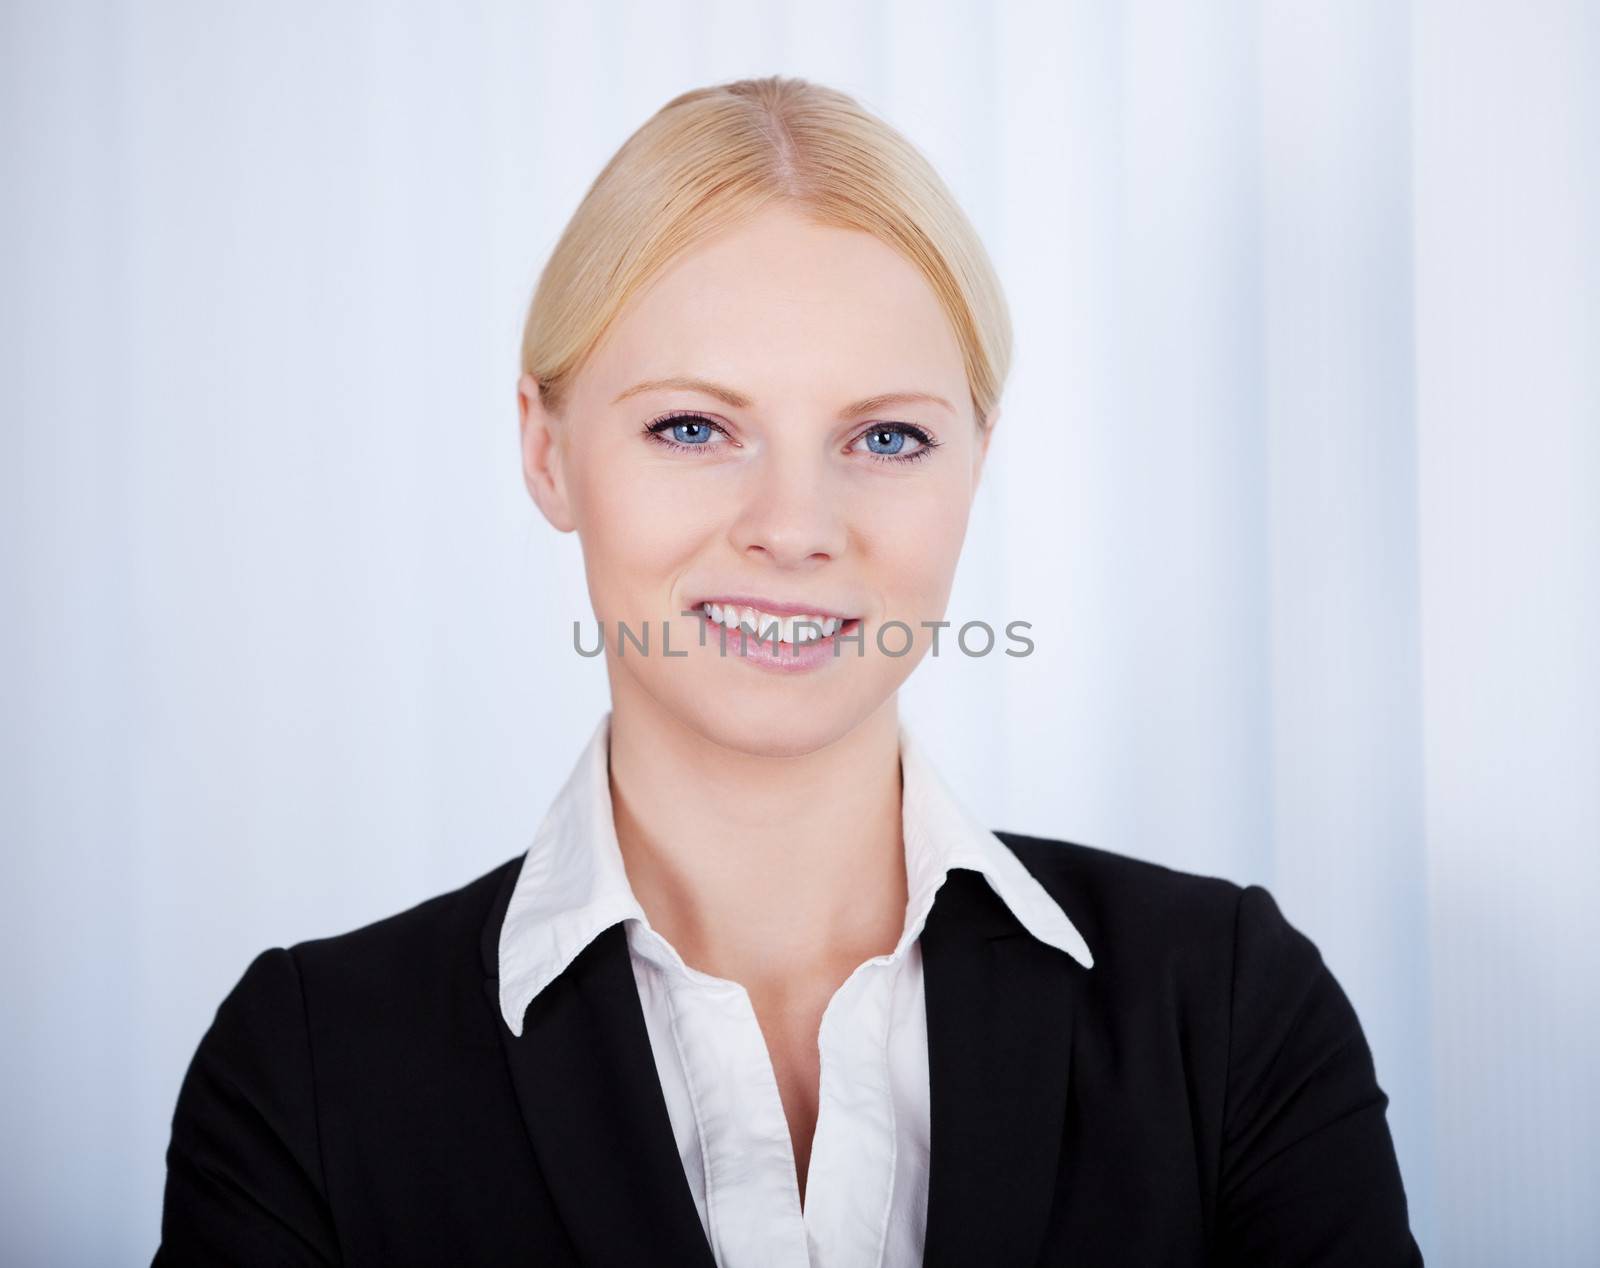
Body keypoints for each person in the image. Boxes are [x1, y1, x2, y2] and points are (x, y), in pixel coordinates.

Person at [154, 75, 1423, 1266]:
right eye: (693, 426)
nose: (794, 523)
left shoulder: (1229, 1013)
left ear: (976, 460)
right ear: (546, 451)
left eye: (885, 435)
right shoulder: (311, 1068)